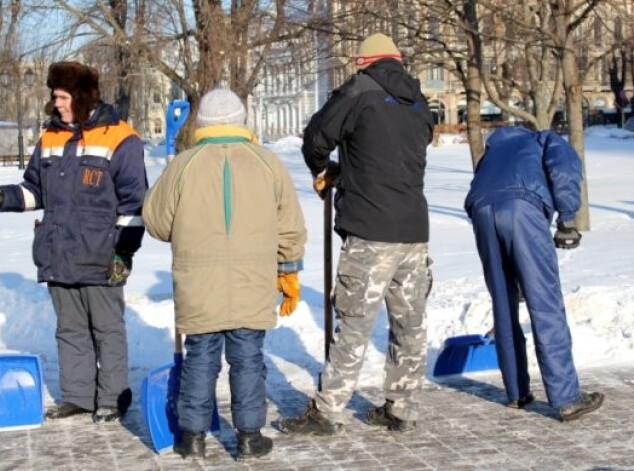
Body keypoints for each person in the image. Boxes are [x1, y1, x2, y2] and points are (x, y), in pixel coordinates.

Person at [279, 32, 435, 435]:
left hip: (371, 230)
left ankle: (328, 411)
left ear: (364, 62)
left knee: (353, 324)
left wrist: (325, 168)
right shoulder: (419, 101)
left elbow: (316, 136)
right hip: (414, 231)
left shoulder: (359, 89)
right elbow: (393, 151)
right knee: (409, 323)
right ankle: (401, 407)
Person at [142, 88, 307, 460]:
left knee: (201, 357)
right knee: (248, 357)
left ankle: (193, 437)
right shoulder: (267, 163)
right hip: (253, 281)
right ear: (240, 121)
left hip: (199, 283)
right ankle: (249, 438)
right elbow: (290, 226)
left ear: (202, 124)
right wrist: (288, 269)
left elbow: (155, 221)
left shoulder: (183, 164)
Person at [0, 61, 147, 422]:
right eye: (54, 95)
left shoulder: (121, 138)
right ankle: (78, 395)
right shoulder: (50, 138)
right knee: (69, 328)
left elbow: (135, 203)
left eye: (62, 96)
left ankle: (111, 397)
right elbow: (34, 191)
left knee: (107, 329)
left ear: (82, 97)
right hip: (57, 252)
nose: (55, 103)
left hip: (101, 255)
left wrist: (124, 251)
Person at [464, 126, 604, 421]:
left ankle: (516, 392)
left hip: (481, 210)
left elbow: (481, 182)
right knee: (545, 301)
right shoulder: (543, 138)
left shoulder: (492, 151)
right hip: (522, 208)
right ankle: (567, 397)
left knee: (504, 301)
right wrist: (567, 218)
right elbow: (565, 167)